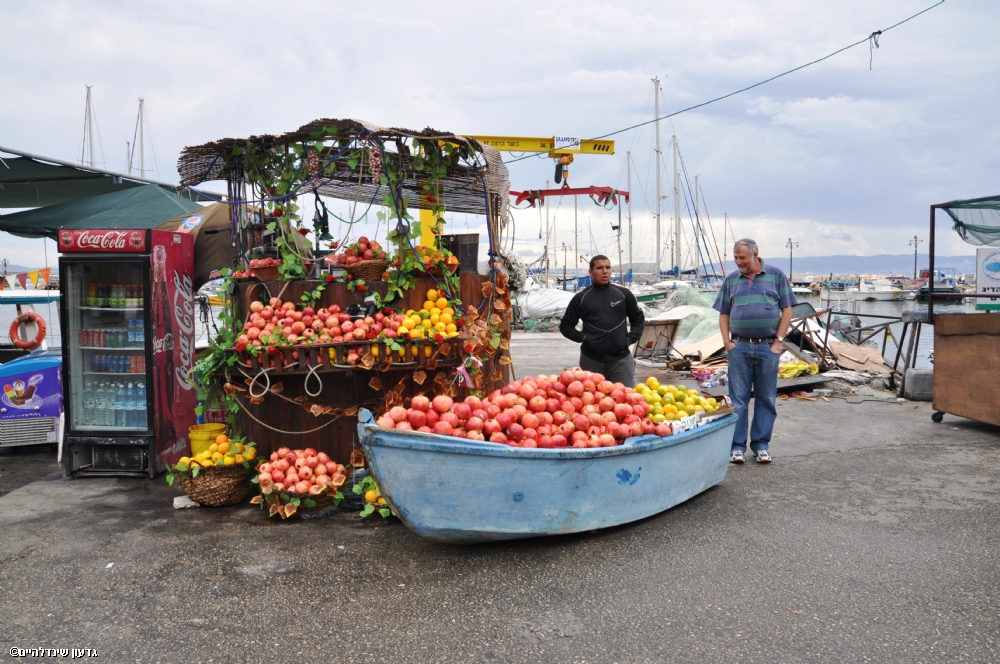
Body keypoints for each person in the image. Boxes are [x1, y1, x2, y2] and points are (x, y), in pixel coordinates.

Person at [713, 238, 796, 464]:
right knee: (738, 399)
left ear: (755, 254)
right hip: (739, 347)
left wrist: (778, 342)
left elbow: (787, 310)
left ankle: (761, 445)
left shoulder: (776, 275)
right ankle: (737, 447)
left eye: (742, 258)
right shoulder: (731, 280)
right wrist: (727, 342)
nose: (738, 262)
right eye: (735, 258)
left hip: (767, 347)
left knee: (766, 398)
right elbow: (723, 313)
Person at [559, 255, 645, 386]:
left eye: (608, 267)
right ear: (591, 271)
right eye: (599, 268)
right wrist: (583, 338)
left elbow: (638, 319)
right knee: (591, 398)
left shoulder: (624, 294)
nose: (604, 271)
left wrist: (629, 340)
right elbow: (566, 325)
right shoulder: (581, 298)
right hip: (591, 360)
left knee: (626, 397)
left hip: (621, 360)